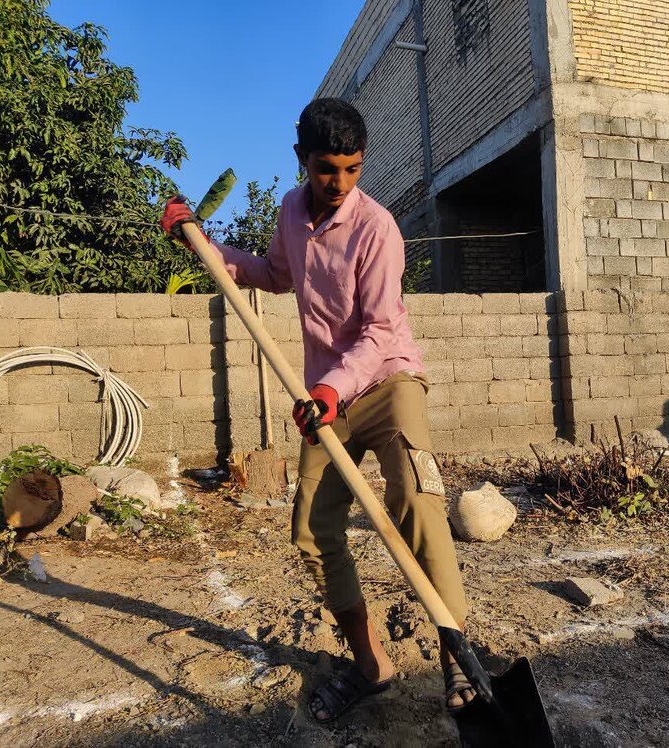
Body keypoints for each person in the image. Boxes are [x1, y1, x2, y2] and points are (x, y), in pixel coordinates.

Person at [160, 98, 474, 722]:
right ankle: (370, 664)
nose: (341, 184)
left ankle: (459, 662)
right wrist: (203, 241)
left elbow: (382, 329)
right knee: (312, 531)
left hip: (386, 383)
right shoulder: (290, 214)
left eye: (354, 169)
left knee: (416, 502)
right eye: (329, 169)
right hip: (325, 400)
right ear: (301, 159)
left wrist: (332, 388)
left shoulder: (377, 229)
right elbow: (273, 274)